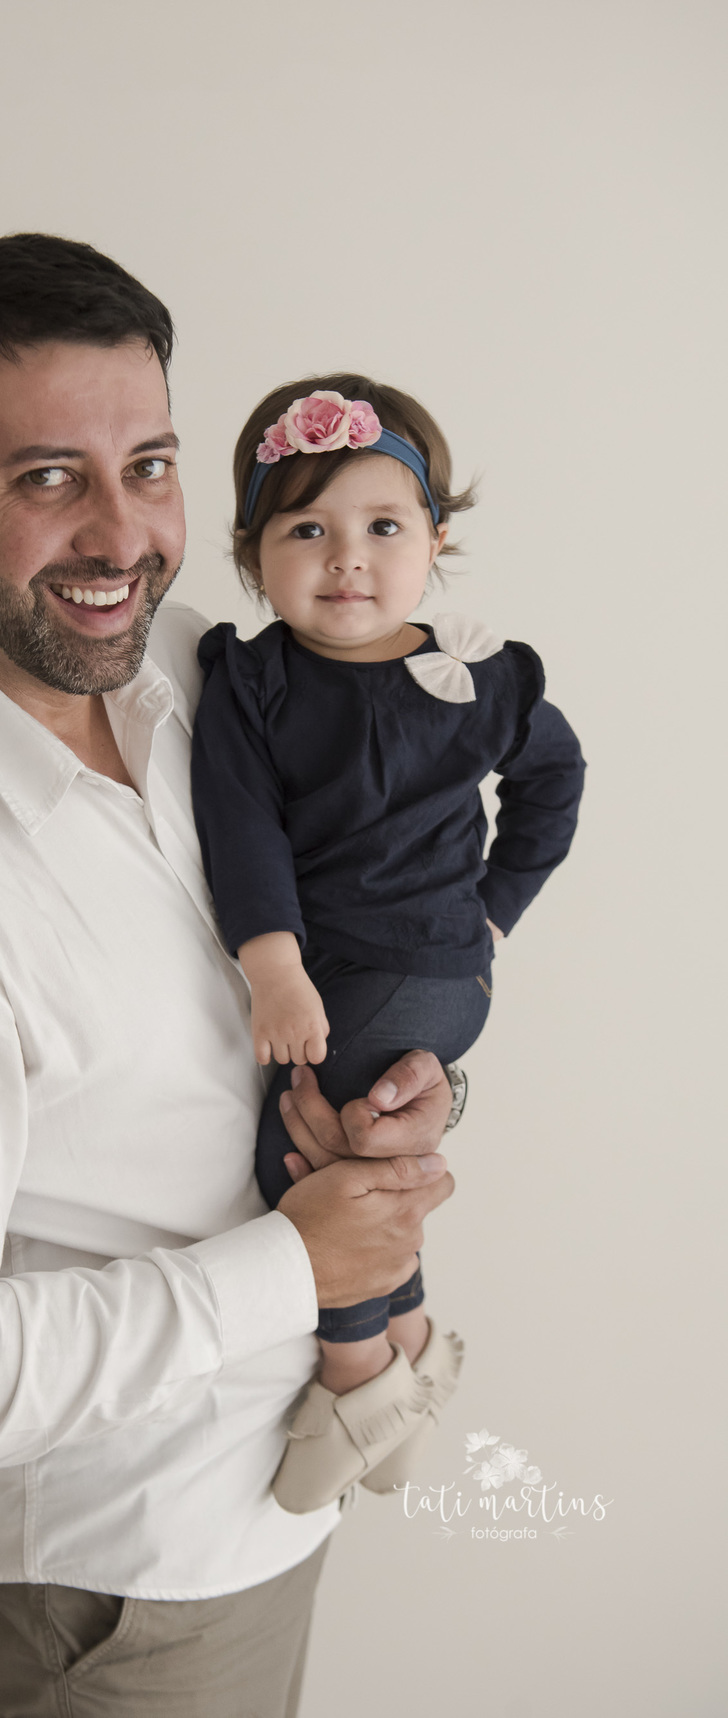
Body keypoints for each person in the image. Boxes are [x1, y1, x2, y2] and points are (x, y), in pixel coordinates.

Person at [0, 237, 458, 1718]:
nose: (123, 536)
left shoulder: (187, 665)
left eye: (153, 465)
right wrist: (298, 1266)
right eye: (51, 477)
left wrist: (399, 1081)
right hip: (125, 1585)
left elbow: (350, 915)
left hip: (277, 1487)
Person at [192, 377, 585, 1514]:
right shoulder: (256, 681)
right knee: (353, 1162)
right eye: (305, 530)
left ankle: (356, 1377)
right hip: (346, 974)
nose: (346, 560)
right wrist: (274, 961)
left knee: (298, 1161)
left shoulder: (480, 677)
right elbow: (241, 827)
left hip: (420, 973)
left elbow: (555, 782)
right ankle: (410, 1343)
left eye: (381, 526)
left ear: (434, 538)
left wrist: (496, 908)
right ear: (252, 550)